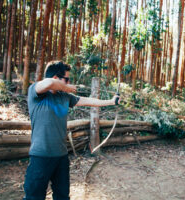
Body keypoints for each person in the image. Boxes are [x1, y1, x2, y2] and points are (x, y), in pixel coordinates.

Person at [23, 60, 120, 200]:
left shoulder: (64, 97)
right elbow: (49, 83)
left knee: (62, 196)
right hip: (40, 157)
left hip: (61, 156)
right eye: (66, 79)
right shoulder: (36, 92)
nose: (69, 82)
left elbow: (88, 101)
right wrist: (65, 87)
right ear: (56, 77)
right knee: (34, 197)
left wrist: (111, 101)